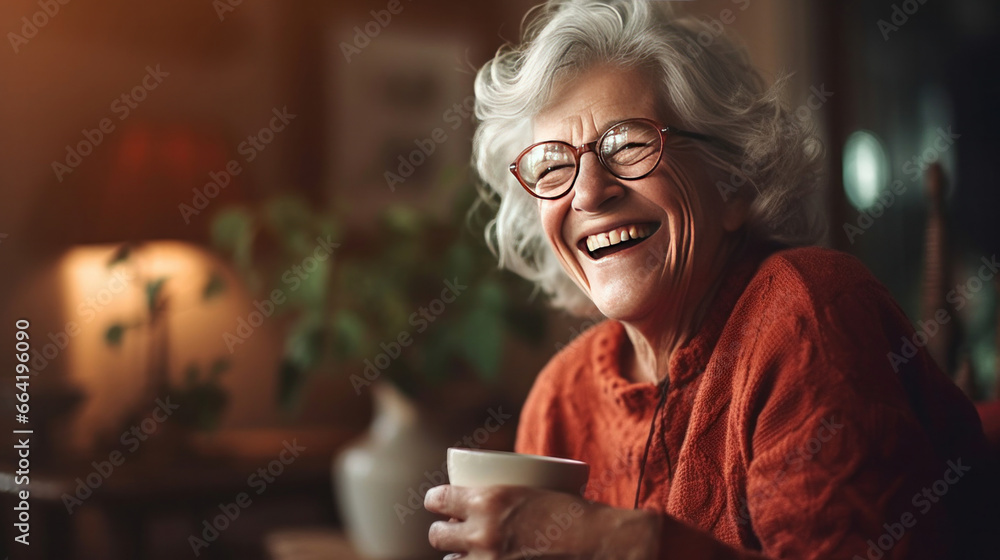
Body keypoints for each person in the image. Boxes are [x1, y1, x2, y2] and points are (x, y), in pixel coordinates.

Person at [424, 1, 995, 558]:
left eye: (628, 144)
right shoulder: (562, 400)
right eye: (552, 166)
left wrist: (610, 539)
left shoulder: (805, 314)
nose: (590, 192)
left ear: (735, 183)